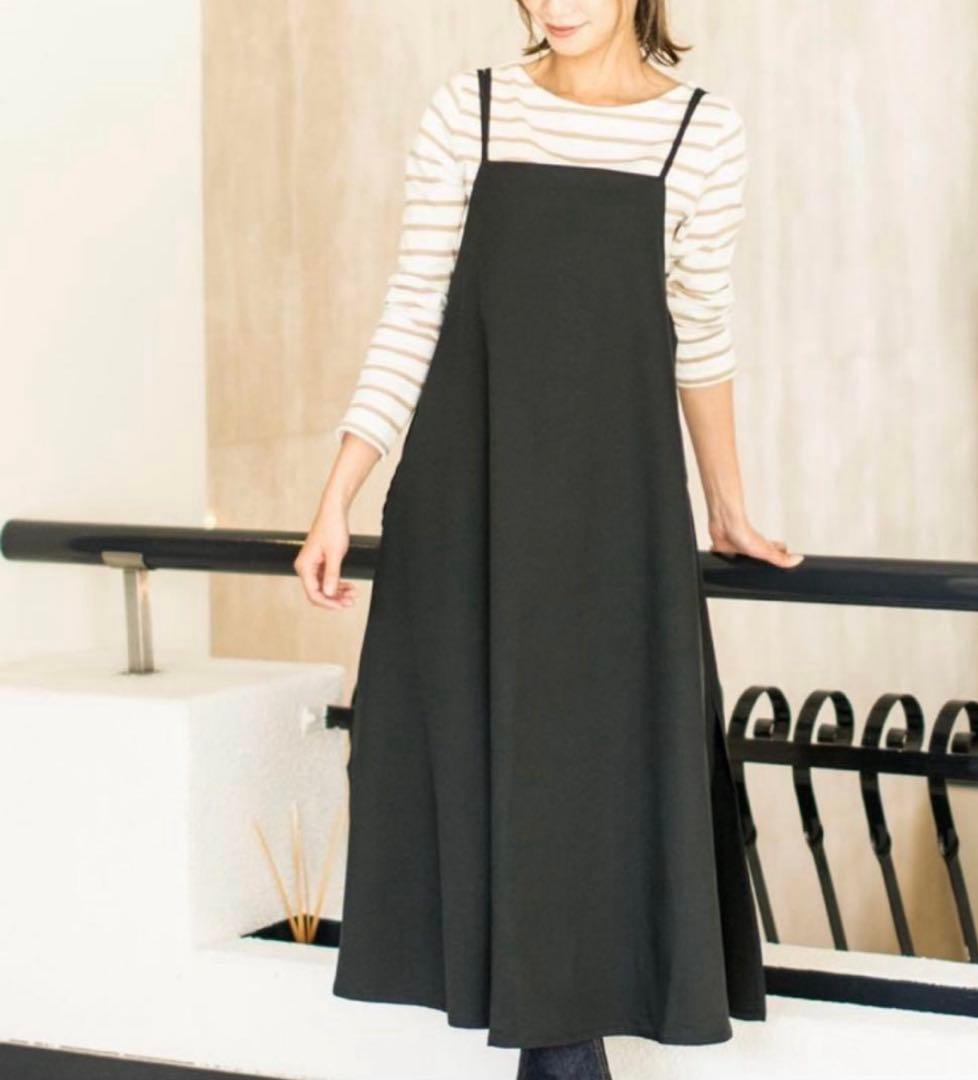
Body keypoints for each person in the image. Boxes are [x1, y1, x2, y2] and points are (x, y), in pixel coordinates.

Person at [296, 2, 801, 1076]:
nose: (555, 3)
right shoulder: (469, 111)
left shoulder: (700, 131)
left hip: (614, 520)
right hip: (466, 508)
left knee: (589, 782)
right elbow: (413, 313)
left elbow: (699, 332)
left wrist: (725, 506)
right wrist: (339, 494)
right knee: (486, 771)